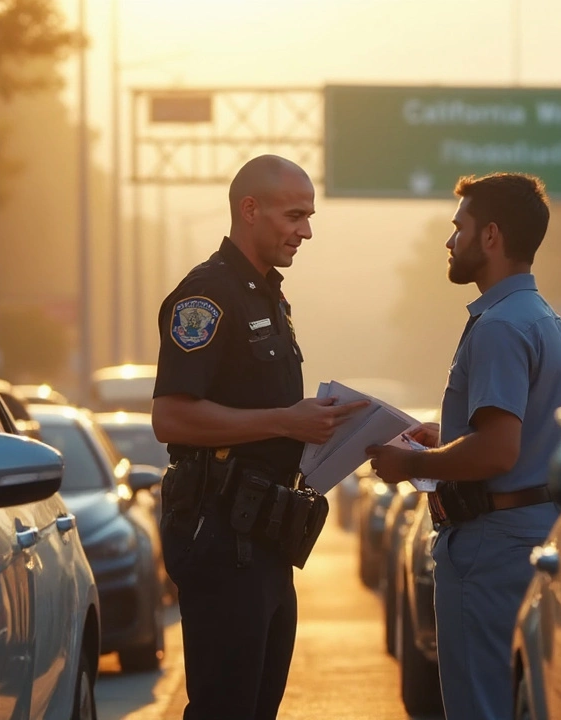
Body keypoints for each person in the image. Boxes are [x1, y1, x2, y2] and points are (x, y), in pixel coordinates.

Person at [151, 154, 368, 720]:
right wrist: (284, 421)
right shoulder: (206, 296)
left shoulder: (267, 296)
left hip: (267, 538)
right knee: (226, 708)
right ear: (250, 210)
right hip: (222, 537)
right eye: (294, 215)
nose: (306, 231)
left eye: (309, 215)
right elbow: (171, 418)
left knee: (258, 706)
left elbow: (277, 416)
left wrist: (353, 431)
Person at [366, 172, 561, 720]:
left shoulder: (499, 327)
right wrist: (446, 439)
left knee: (479, 707)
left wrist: (406, 462)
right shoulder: (542, 317)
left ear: (490, 236)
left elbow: (496, 454)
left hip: (491, 547)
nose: (449, 239)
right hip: (532, 537)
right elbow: (520, 435)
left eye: (457, 226)